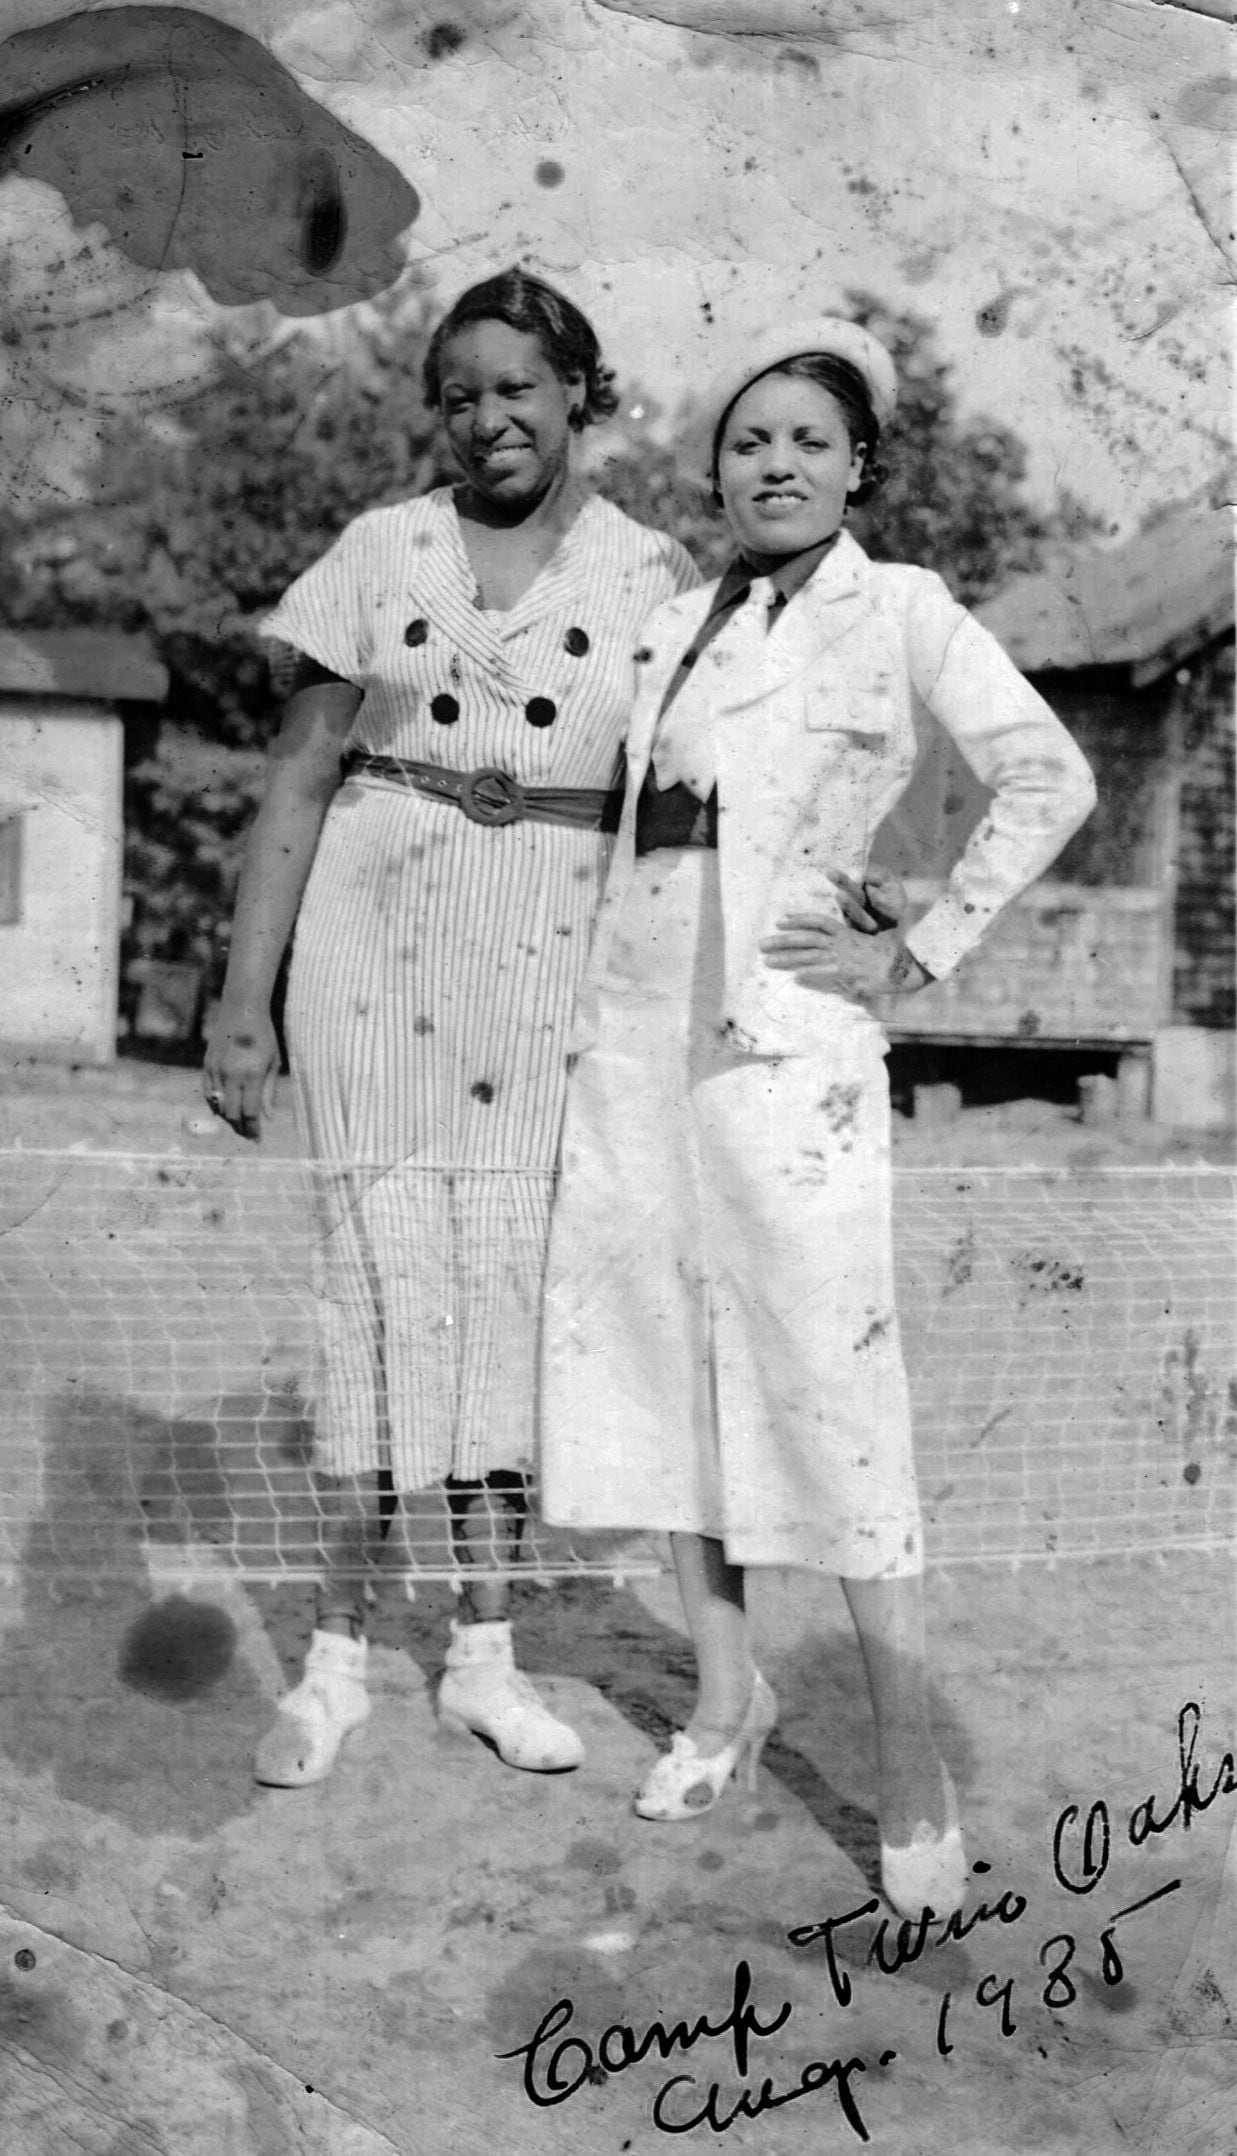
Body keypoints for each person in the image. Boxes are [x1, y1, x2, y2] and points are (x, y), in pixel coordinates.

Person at [539, 315, 1097, 1918]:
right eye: (746, 441)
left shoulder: (901, 611)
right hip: (632, 1027)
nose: (771, 465)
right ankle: (725, 1697)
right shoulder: (667, 629)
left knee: (827, 1385)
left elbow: (1042, 776)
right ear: (713, 468)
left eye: (806, 442)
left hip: (790, 1045)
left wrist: (914, 945)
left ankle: (906, 1760)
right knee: (654, 1364)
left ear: (860, 468)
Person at [202, 268, 703, 1787]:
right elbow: (295, 784)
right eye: (460, 393)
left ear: (578, 398)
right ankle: (339, 1659)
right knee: (373, 1284)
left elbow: (672, 817)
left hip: (543, 957)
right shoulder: (378, 553)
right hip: (372, 936)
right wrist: (241, 1005)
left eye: (519, 389)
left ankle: (484, 1656)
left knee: (501, 1297)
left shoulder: (652, 574)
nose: (489, 418)